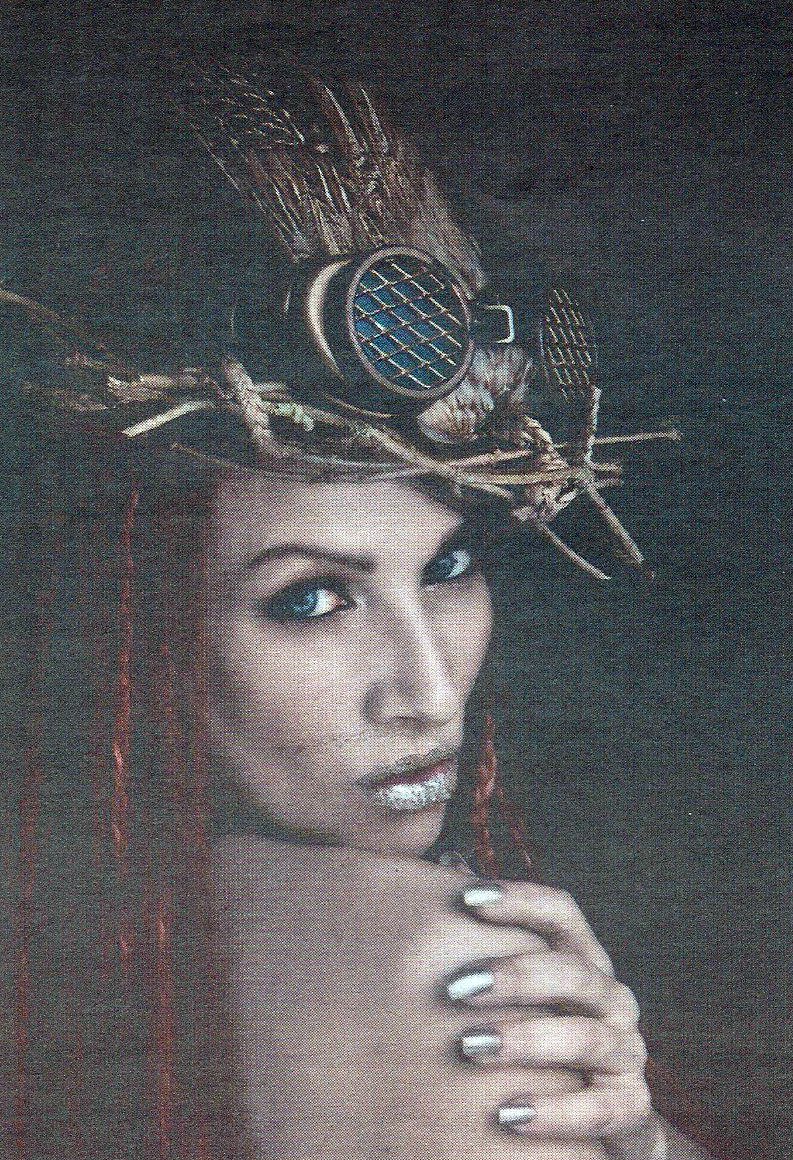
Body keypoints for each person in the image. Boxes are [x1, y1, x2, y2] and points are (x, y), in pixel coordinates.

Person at [2, 53, 718, 1160]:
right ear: (127, 621)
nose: (426, 693)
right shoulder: (441, 968)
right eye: (311, 598)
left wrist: (647, 1135)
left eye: (446, 567)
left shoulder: (95, 953)